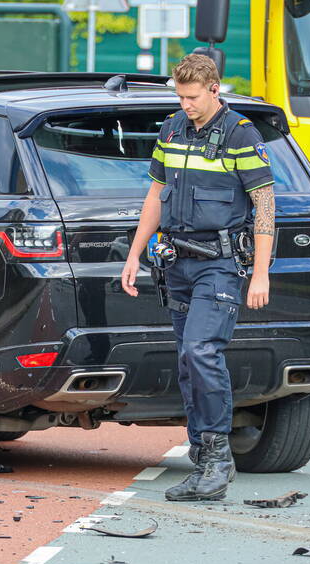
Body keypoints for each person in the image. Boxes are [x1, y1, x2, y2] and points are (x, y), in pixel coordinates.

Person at [121, 53, 276, 502]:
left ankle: (217, 460)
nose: (186, 104)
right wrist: (134, 254)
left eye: (192, 97)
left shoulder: (240, 135)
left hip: (221, 265)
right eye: (180, 96)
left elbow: (265, 205)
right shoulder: (171, 129)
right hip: (178, 264)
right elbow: (155, 195)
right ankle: (201, 457)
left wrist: (260, 273)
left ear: (214, 89)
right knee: (187, 361)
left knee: (201, 349)